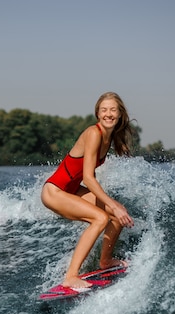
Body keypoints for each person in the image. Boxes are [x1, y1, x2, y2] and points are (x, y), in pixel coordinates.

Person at [41, 92, 135, 289]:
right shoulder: (94, 133)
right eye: (104, 110)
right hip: (54, 191)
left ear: (119, 114)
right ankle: (71, 276)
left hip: (71, 190)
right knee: (101, 218)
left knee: (117, 215)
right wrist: (112, 204)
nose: (108, 114)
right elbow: (88, 178)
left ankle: (105, 261)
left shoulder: (109, 137)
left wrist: (116, 206)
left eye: (113, 110)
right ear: (97, 114)